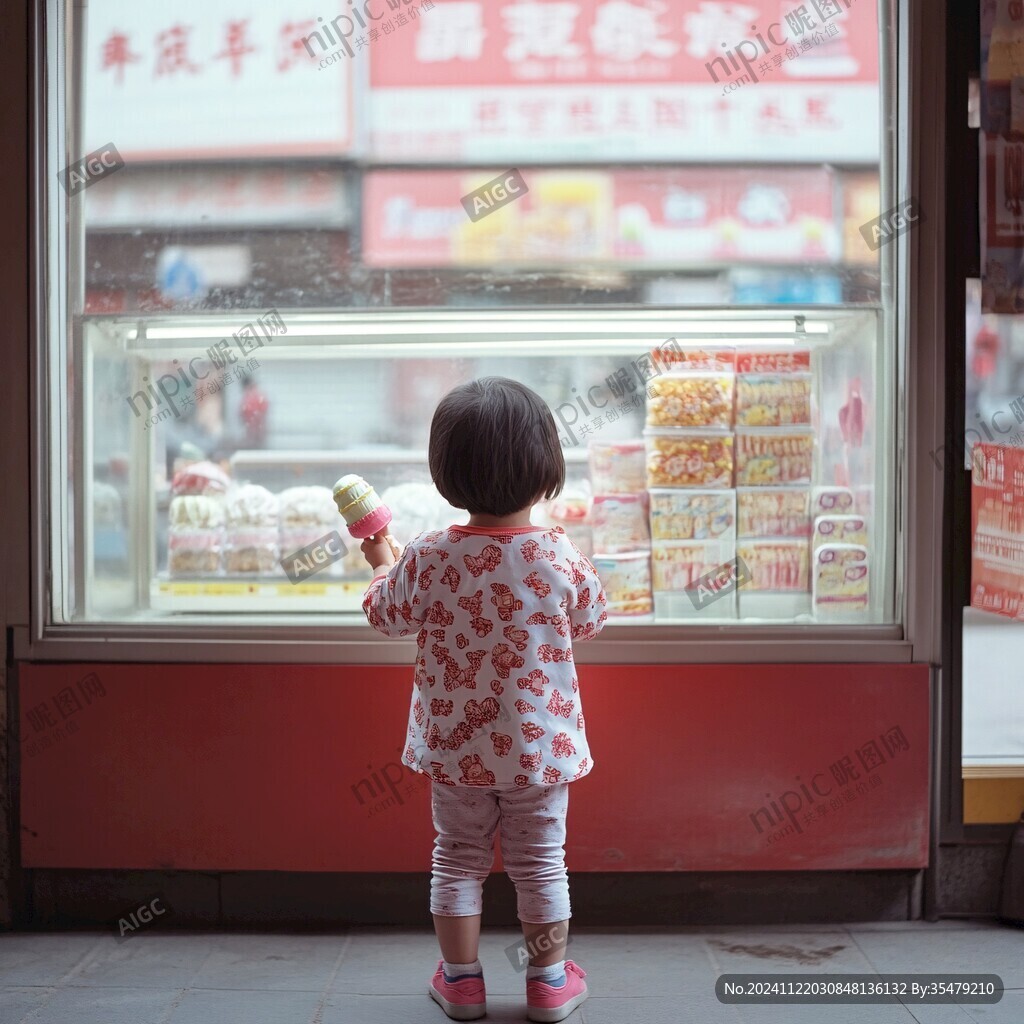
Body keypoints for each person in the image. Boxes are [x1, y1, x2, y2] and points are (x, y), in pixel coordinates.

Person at [360, 377, 607, 1022]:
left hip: (456, 747)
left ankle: (463, 981)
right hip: (537, 746)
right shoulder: (558, 554)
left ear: (446, 474)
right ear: (546, 471)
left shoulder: (430, 555)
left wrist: (383, 562)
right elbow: (590, 617)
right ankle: (548, 982)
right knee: (540, 863)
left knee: (458, 858)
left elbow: (386, 615)